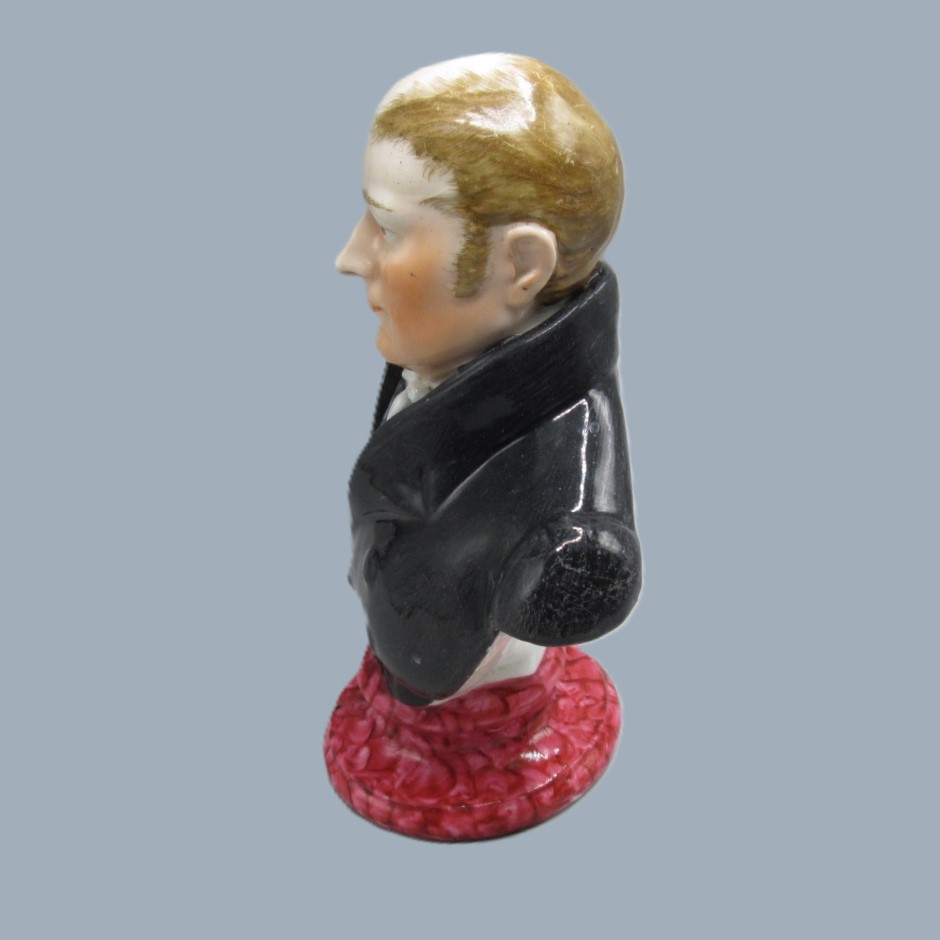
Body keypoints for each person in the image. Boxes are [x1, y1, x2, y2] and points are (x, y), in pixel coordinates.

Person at [326, 54, 641, 838]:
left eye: (387, 228)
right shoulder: (444, 343)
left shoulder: (565, 537)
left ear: (520, 266)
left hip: (454, 681)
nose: (351, 256)